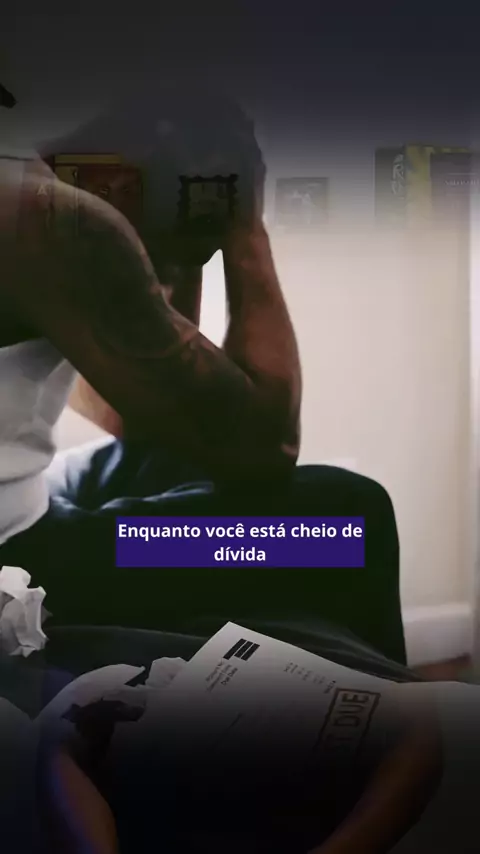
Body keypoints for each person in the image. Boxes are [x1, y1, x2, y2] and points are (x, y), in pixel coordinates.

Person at [0, 83, 404, 662]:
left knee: (174, 457)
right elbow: (267, 446)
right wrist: (246, 230)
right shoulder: (60, 223)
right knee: (348, 519)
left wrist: (177, 244)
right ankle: (390, 711)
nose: (155, 275)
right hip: (22, 561)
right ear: (126, 183)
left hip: (27, 502)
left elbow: (140, 420)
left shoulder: (28, 185)